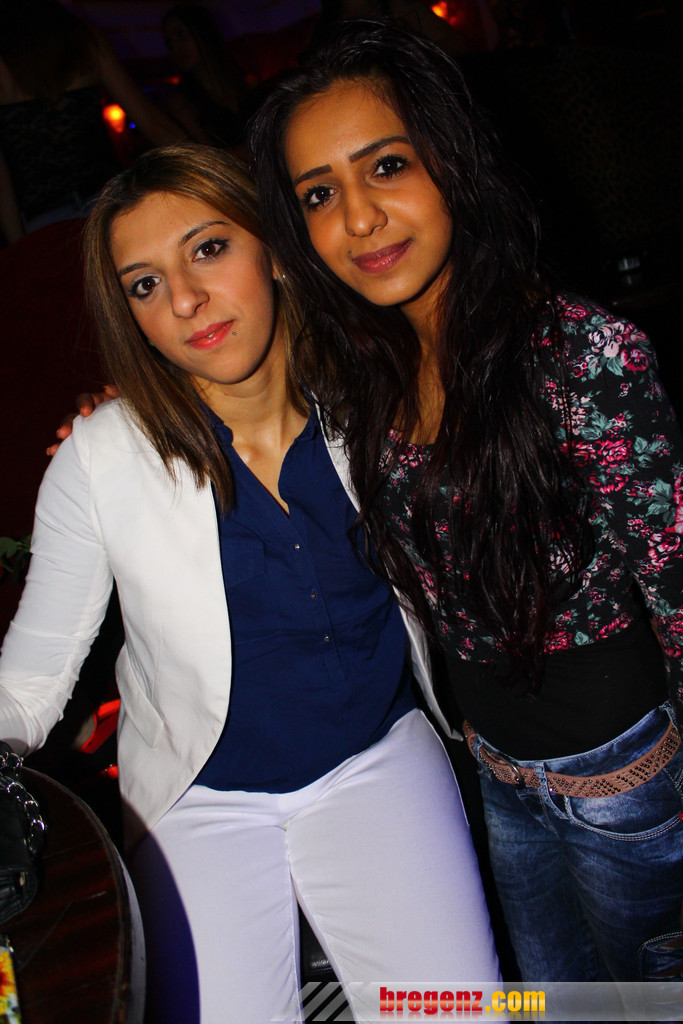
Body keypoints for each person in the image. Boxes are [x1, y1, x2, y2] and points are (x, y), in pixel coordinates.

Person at [0, 143, 500, 1023]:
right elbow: (29, 684)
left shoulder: (376, 393)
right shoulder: (103, 458)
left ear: (272, 248)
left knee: (458, 1013)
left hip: (375, 756)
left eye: (207, 249)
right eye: (144, 284)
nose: (185, 299)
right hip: (196, 797)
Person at [248, 20, 683, 984]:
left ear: (452, 162)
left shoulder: (577, 354)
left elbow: (677, 586)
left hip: (623, 790)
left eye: (386, 166)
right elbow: (235, 383)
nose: (359, 218)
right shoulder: (364, 374)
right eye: (319, 194)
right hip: (492, 773)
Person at [0, 0, 183, 243]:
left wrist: (19, 246)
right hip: (104, 201)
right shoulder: (82, 38)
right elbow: (151, 121)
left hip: (48, 217)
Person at [161, 4, 251, 150]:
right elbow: (208, 156)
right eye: (169, 43)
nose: (176, 48)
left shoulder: (247, 85)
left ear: (203, 32)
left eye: (181, 34)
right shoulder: (181, 103)